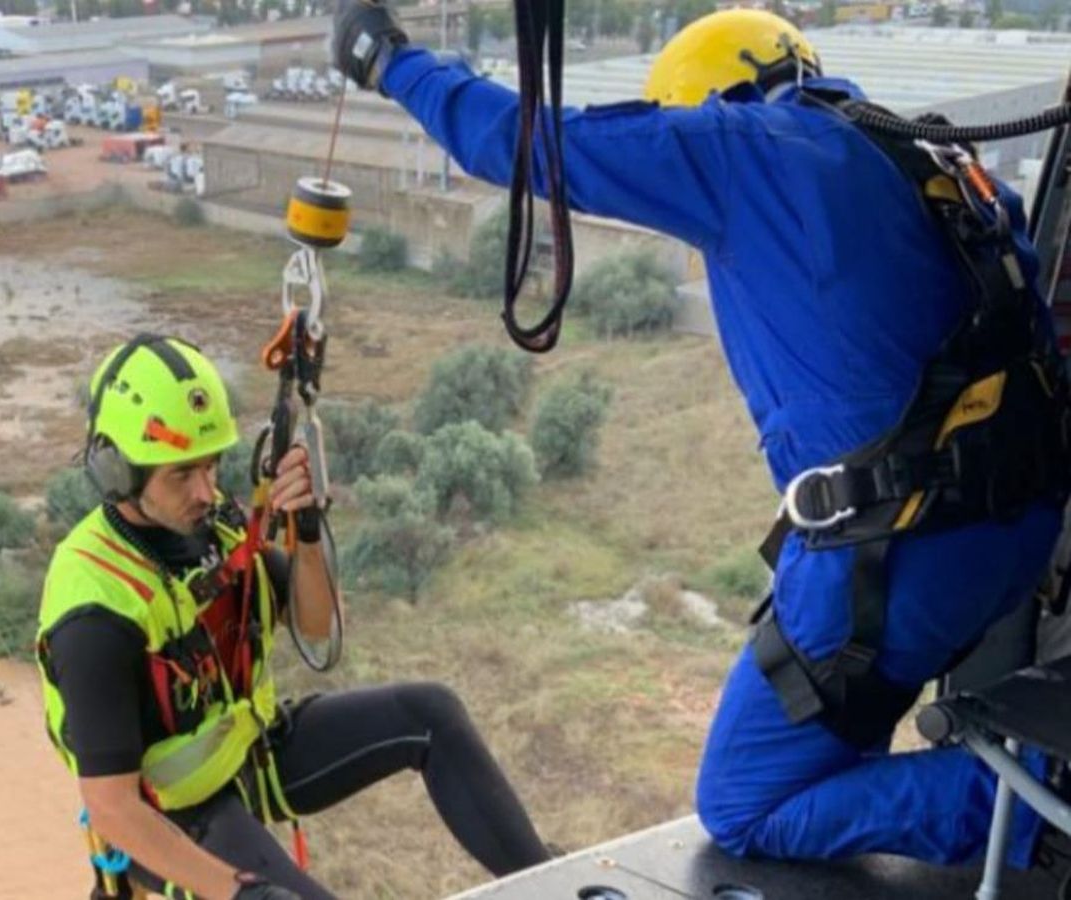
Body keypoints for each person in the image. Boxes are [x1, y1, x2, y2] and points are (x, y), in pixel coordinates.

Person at [331, 2, 1070, 871]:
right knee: (828, 731)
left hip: (896, 562)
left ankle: (1031, 803)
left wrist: (388, 61)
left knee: (744, 802)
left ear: (708, 99)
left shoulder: (741, 149)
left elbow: (520, 142)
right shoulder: (937, 160)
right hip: (1020, 537)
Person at [35, 333, 551, 899]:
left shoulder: (211, 523)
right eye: (181, 474)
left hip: (251, 752)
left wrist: (306, 531)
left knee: (430, 713)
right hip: (172, 814)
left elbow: (316, 626)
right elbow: (111, 807)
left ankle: (553, 884)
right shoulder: (95, 611)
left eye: (211, 466)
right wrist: (241, 892)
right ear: (117, 471)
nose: (206, 490)